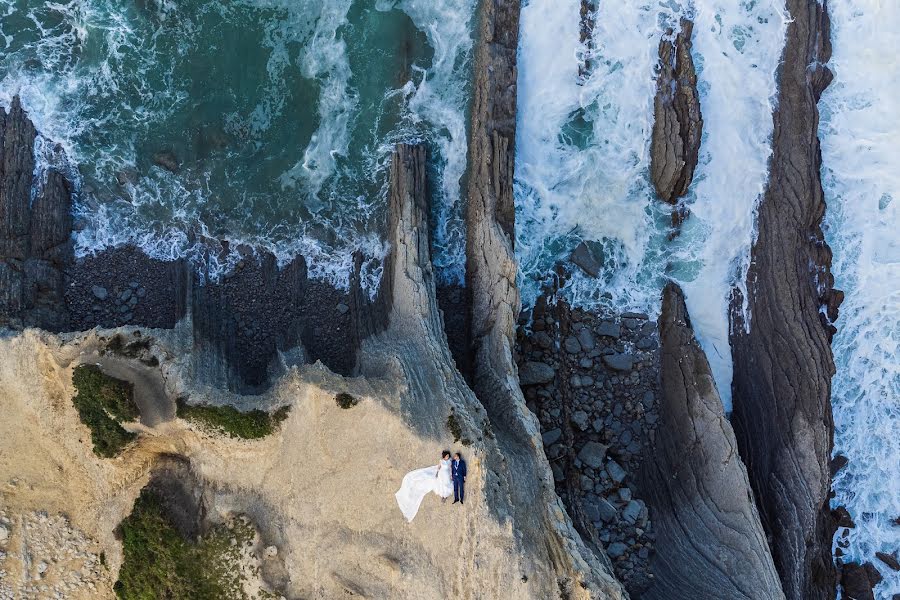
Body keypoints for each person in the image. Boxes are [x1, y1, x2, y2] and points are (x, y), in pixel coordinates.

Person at [395, 451, 454, 522]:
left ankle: (446, 495)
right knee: (441, 485)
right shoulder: (441, 461)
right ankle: (443, 496)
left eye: (448, 456)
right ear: (444, 456)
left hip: (447, 474)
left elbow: (450, 468)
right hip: (441, 474)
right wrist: (437, 473)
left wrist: (451, 475)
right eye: (446, 456)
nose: (447, 457)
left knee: (447, 484)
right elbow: (438, 468)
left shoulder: (450, 461)